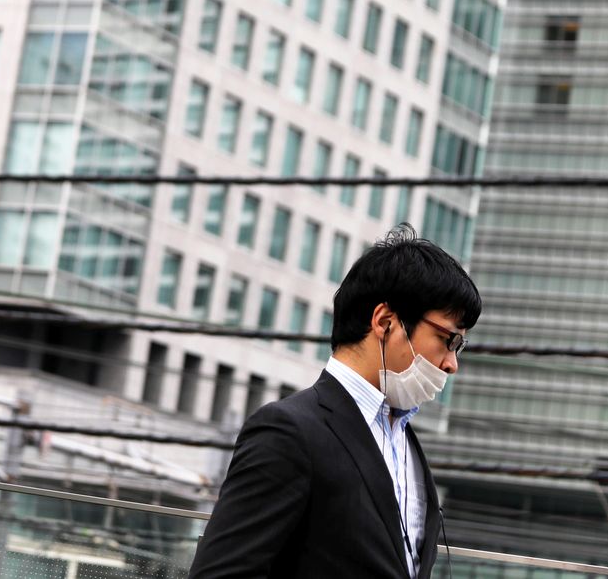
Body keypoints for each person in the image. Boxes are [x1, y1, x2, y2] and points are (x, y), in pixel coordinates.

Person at [188, 224, 481, 579]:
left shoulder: (407, 444)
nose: (451, 364)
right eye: (448, 340)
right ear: (385, 321)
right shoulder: (289, 431)